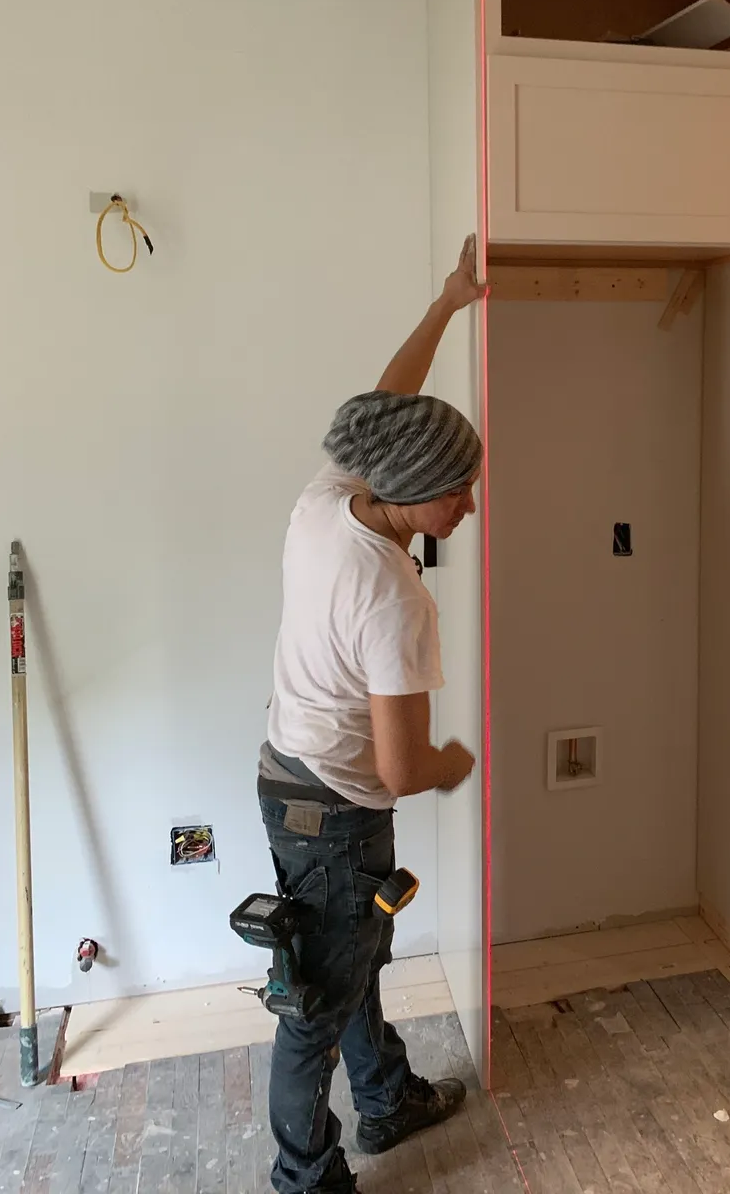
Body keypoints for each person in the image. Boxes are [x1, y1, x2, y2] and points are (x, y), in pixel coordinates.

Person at [256, 238, 486, 1193]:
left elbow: (389, 406)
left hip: (287, 779)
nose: (470, 503)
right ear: (411, 496)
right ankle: (307, 1178)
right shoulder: (393, 596)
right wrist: (454, 760)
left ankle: (386, 1099)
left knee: (348, 964)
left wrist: (448, 303)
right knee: (314, 1004)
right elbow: (399, 771)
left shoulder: (332, 497)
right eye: (458, 491)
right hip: (341, 810)